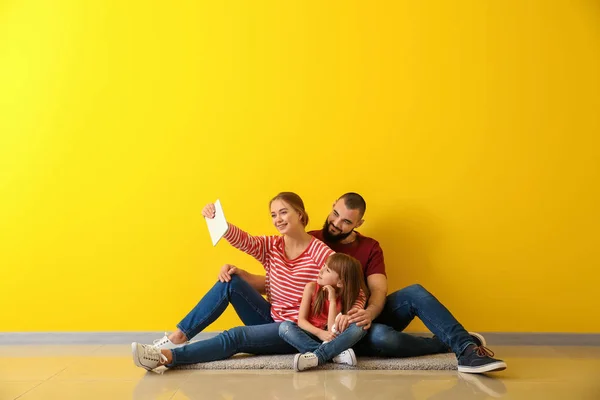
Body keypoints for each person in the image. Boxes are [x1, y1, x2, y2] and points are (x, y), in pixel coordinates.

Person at [131, 192, 344, 372]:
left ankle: (167, 357)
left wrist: (357, 313)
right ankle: (178, 336)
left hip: (294, 330)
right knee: (230, 280)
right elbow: (246, 241)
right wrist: (217, 220)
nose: (277, 219)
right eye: (273, 215)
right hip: (270, 317)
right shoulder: (272, 246)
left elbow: (347, 279)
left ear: (300, 214)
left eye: (283, 212)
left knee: (235, 336)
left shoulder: (319, 252)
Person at [311, 192, 506, 374]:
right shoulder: (310, 240)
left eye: (346, 221)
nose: (336, 223)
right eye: (335, 214)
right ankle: (441, 344)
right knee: (382, 337)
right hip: (328, 325)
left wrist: (368, 313)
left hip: (363, 316)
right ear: (332, 205)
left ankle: (467, 350)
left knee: (415, 292)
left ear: (359, 223)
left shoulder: (370, 247)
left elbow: (378, 289)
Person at [279, 253, 369, 371]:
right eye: (323, 266)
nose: (321, 271)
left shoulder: (357, 294)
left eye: (327, 270)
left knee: (360, 325)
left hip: (336, 337)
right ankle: (335, 356)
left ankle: (317, 356)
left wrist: (332, 301)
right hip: (312, 334)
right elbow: (301, 321)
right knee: (284, 327)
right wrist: (320, 333)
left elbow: (333, 328)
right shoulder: (311, 287)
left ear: (340, 283)